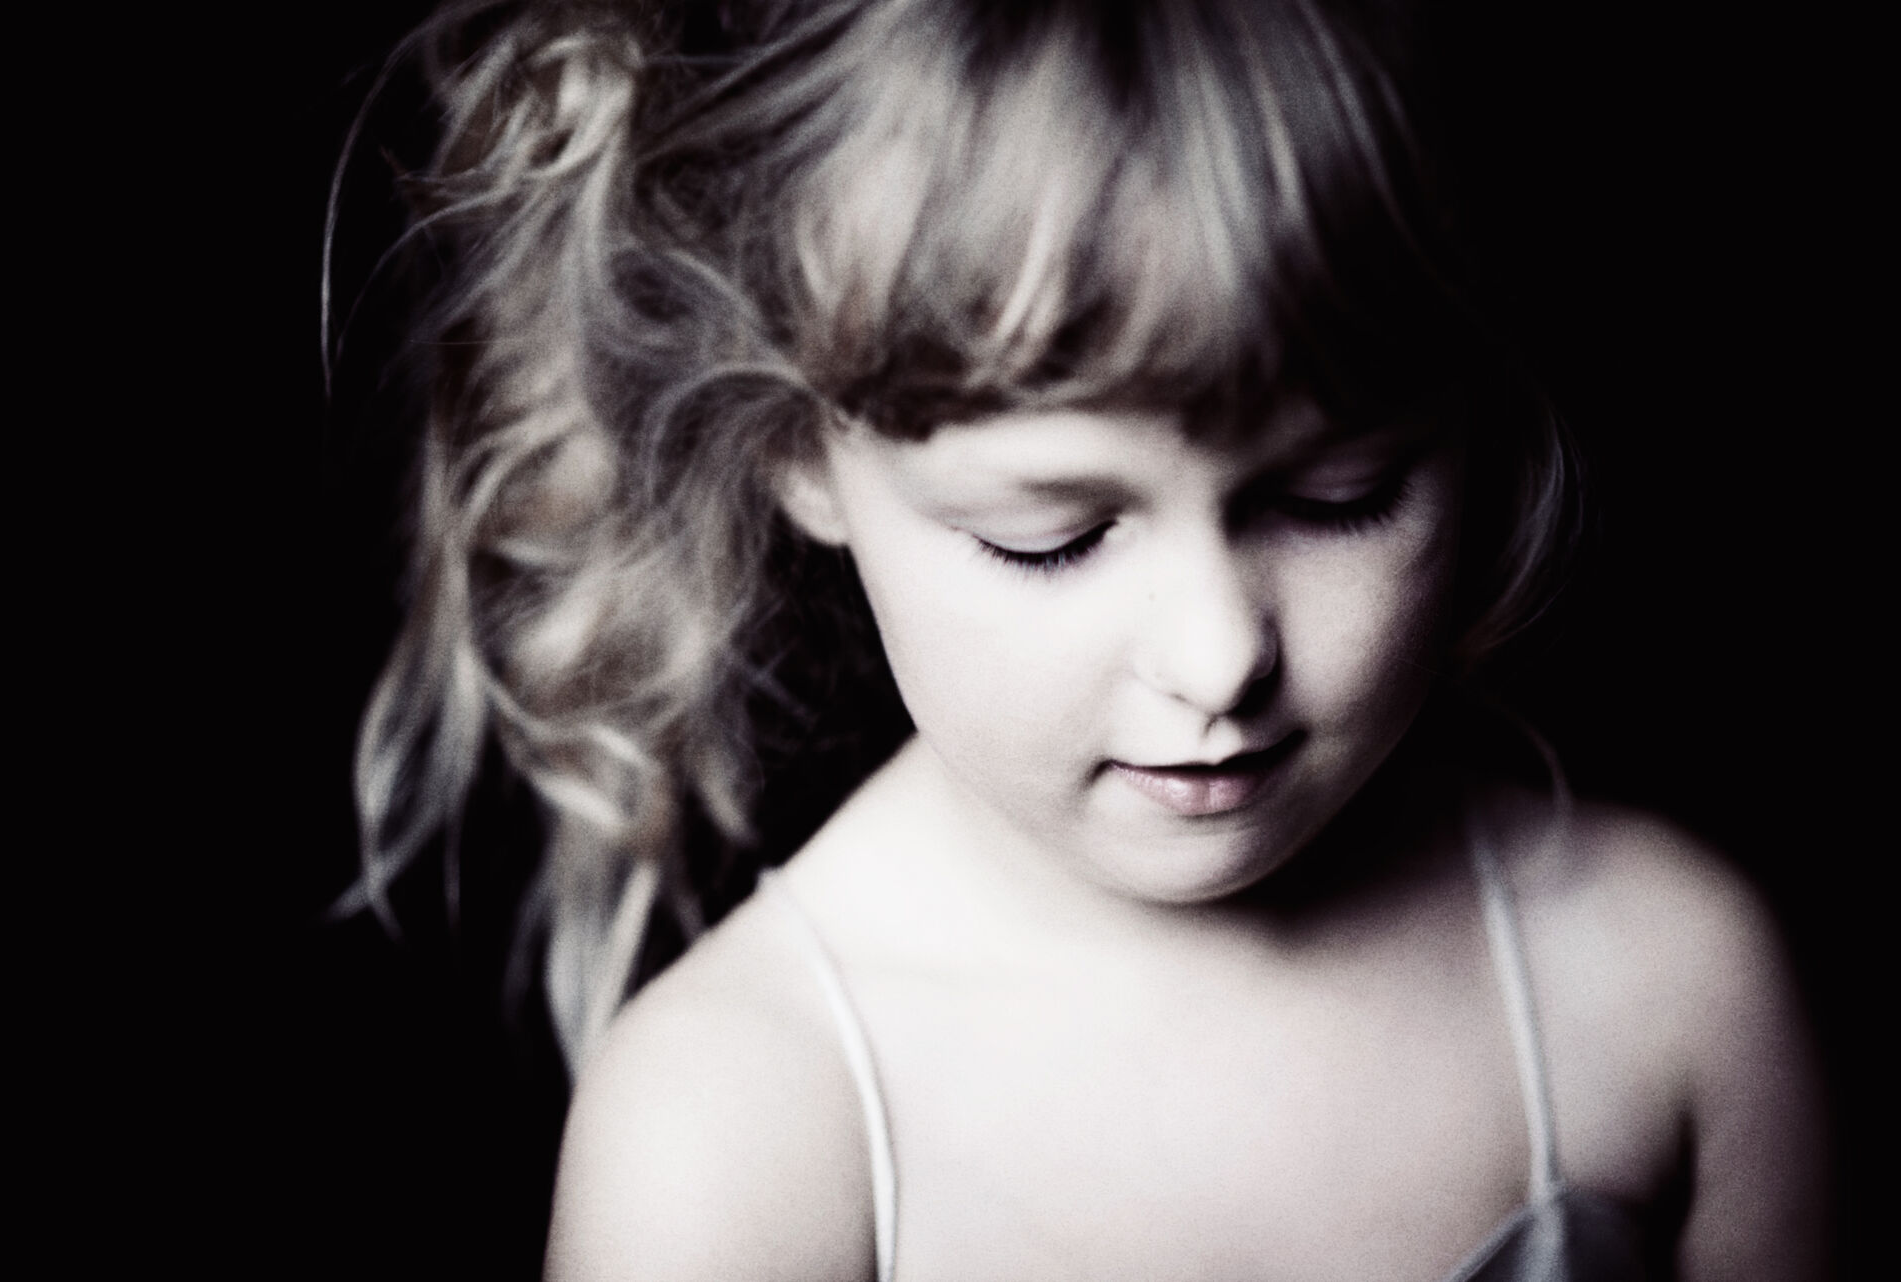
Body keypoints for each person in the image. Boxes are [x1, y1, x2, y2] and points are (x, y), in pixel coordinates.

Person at [347, 1, 1828, 1277]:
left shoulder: (1663, 988)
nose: (1219, 654)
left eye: (1340, 496)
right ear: (797, 447)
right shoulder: (739, 1132)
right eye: (1049, 536)